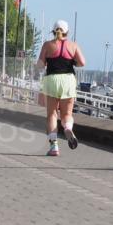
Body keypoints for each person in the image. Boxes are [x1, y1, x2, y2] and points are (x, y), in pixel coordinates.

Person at [36, 19, 86, 156]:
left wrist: (45, 61)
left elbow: (40, 65)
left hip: (52, 80)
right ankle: (68, 128)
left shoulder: (47, 45)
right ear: (67, 32)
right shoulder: (73, 45)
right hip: (68, 80)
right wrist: (72, 61)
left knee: (52, 114)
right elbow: (82, 62)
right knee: (67, 114)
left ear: (53, 31)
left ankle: (54, 147)